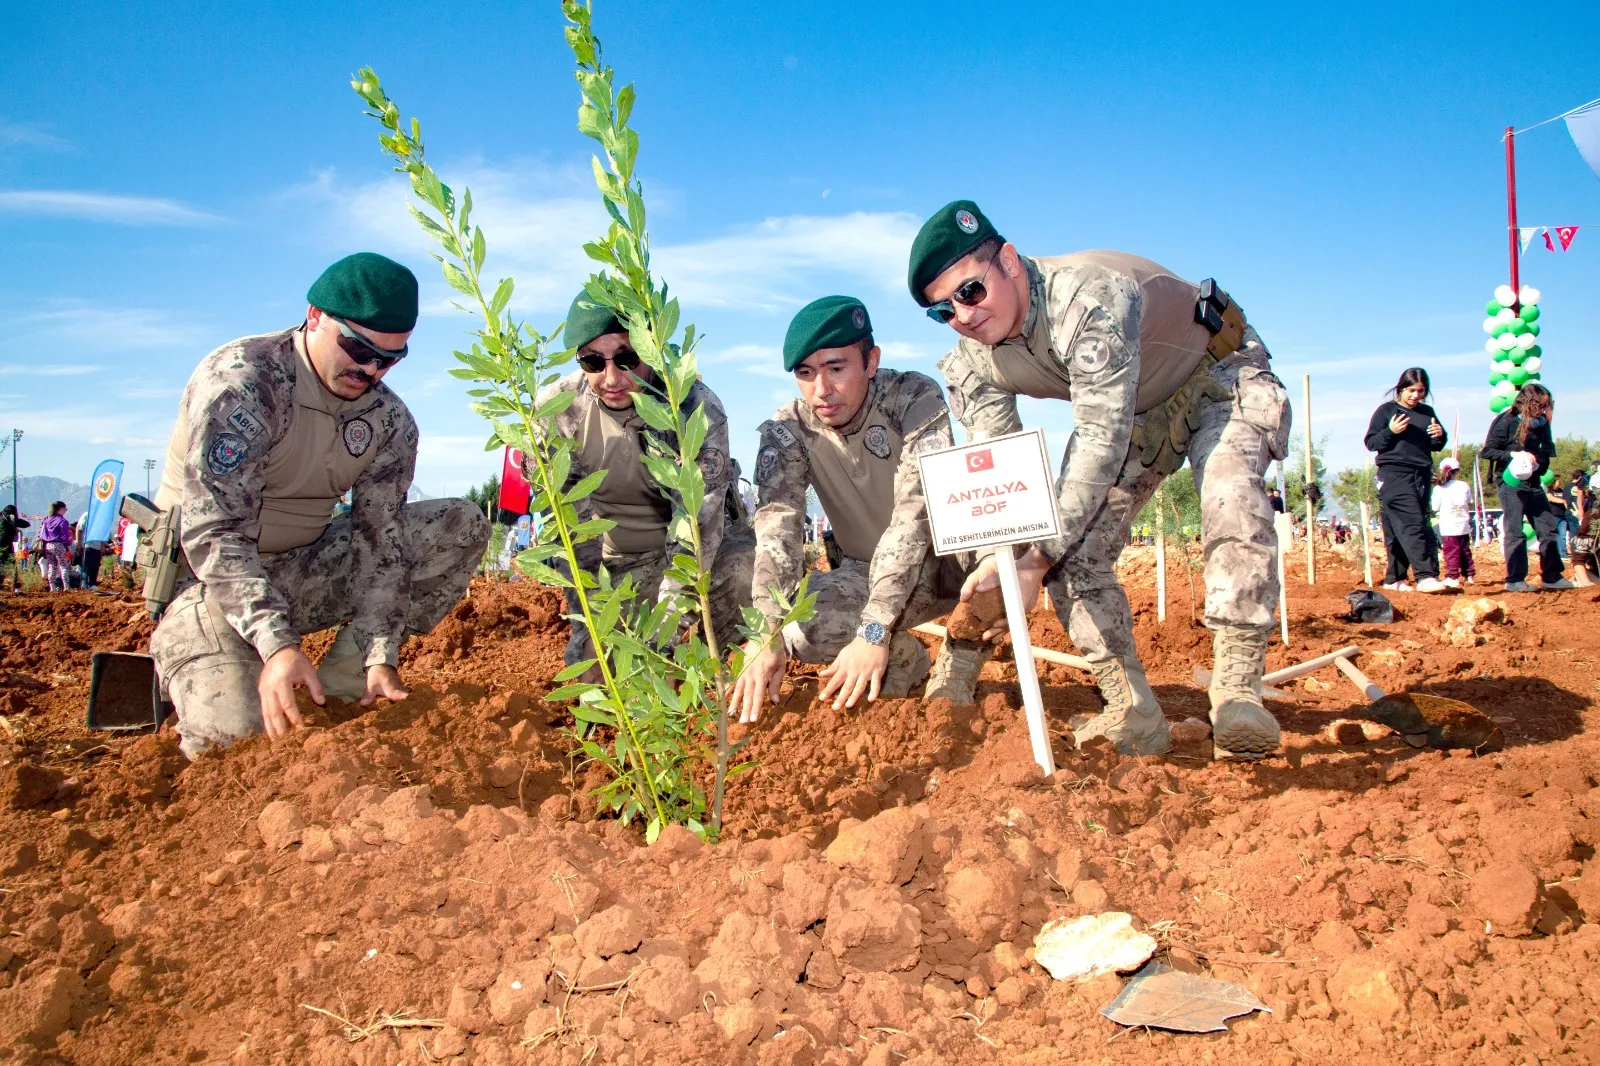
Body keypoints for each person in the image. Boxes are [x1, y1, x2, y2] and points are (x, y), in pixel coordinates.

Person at [910, 200, 1291, 760]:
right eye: (943, 310)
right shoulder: (973, 365)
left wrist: (1034, 560)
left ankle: (1237, 692)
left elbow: (1099, 438)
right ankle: (1131, 709)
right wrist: (1010, 555)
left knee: (1228, 494)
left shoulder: (1088, 300)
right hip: (1141, 410)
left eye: (970, 292)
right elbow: (1007, 479)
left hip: (1217, 373)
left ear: (1009, 262)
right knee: (1073, 549)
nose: (963, 316)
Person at [147, 252, 491, 759]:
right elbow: (213, 536)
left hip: (303, 572)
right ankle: (211, 663)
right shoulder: (244, 383)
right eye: (357, 348)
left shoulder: (388, 421)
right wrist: (278, 644)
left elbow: (381, 542)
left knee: (459, 523)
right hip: (209, 588)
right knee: (235, 748)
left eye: (389, 359)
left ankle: (342, 684)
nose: (370, 369)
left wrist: (380, 654)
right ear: (314, 317)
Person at [728, 295, 981, 724]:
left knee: (1008, 547)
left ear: (870, 360)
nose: (821, 390)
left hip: (951, 563)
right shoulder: (789, 429)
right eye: (805, 374)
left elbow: (913, 514)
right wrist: (765, 629)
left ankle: (960, 659)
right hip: (866, 568)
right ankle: (904, 657)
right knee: (801, 628)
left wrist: (874, 627)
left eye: (836, 368)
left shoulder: (912, 397)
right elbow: (777, 525)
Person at [539, 289, 753, 674]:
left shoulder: (691, 407)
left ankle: (712, 660)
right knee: (601, 675)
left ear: (650, 351)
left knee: (744, 571)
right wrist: (591, 622)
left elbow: (696, 529)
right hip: (618, 566)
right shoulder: (558, 410)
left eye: (627, 358)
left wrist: (666, 638)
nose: (611, 378)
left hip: (696, 560)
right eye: (591, 361)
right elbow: (572, 532)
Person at [1363, 368, 1448, 593]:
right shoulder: (1386, 411)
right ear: (1401, 388)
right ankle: (1425, 575)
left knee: (1396, 527)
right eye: (1411, 390)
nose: (1415, 395)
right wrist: (1390, 431)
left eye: (1420, 391)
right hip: (1393, 473)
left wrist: (1440, 435)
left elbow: (1436, 444)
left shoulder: (1427, 411)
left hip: (1421, 472)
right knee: (1413, 523)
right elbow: (1371, 443)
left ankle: (1395, 578)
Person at [1481, 383, 1570, 592]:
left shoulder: (1542, 424)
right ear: (1526, 402)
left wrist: (1538, 463)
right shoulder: (1507, 420)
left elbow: (1547, 452)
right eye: (1539, 404)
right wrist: (1514, 455)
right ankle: (1515, 580)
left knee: (1548, 527)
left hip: (1533, 482)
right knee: (1515, 530)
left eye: (1546, 405)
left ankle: (1552, 576)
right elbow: (1487, 451)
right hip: (1510, 481)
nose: (1542, 409)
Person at [1433, 457, 1475, 587]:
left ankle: (1452, 577)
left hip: (1448, 525)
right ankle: (1469, 575)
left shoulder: (1439, 488)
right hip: (1463, 524)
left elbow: (1435, 507)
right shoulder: (1464, 485)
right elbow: (1470, 502)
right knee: (1464, 550)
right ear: (1457, 471)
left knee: (1451, 551)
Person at [39, 502, 73, 593]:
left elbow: (41, 533)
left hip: (48, 545)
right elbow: (65, 536)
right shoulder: (63, 521)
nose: (65, 512)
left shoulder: (46, 520)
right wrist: (67, 545)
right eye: (65, 510)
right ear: (61, 509)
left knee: (52, 565)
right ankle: (66, 586)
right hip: (58, 544)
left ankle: (52, 587)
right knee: (63, 565)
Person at [0, 505, 27, 593]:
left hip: (4, 546)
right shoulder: (11, 520)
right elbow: (26, 524)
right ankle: (16, 588)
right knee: (12, 567)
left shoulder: (2, 518)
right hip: (7, 546)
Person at [1546, 474, 1571, 558]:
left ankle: (1563, 554)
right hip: (1553, 515)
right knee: (1553, 535)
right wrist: (1564, 501)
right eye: (1557, 481)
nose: (1559, 482)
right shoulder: (1548, 491)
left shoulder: (1562, 490)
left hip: (1562, 515)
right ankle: (1553, 554)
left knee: (1562, 535)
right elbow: (1551, 498)